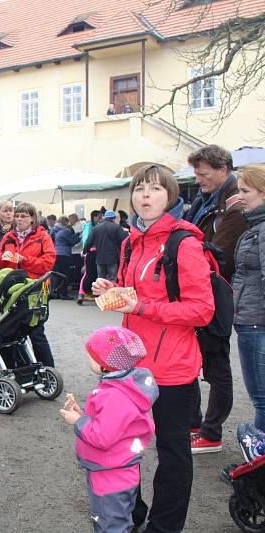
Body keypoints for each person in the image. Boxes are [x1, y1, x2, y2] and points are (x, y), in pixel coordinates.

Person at [92, 164, 214, 533]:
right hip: (133, 366)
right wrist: (111, 289)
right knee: (127, 444)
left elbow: (202, 310)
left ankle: (164, 526)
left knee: (173, 453)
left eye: (155, 189)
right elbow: (139, 294)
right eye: (140, 189)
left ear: (170, 197)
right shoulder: (132, 240)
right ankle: (133, 512)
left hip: (173, 369)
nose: (145, 195)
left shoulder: (184, 243)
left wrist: (141, 307)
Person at [60, 327, 158, 533]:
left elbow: (102, 437)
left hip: (110, 474)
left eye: (92, 355)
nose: (88, 359)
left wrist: (78, 421)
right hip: (118, 469)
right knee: (117, 520)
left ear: (105, 364)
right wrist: (84, 414)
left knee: (110, 525)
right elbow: (111, 424)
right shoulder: (124, 386)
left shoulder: (114, 394)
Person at [185, 145, 248, 453]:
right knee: (197, 361)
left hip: (216, 293)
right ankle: (196, 423)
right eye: (196, 174)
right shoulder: (206, 200)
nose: (198, 180)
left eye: (203, 174)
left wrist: (184, 257)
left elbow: (217, 255)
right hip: (202, 291)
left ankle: (211, 432)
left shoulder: (235, 204)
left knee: (216, 365)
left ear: (223, 170)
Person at [0, 202, 56, 367]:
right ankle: (18, 369)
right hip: (13, 289)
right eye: (18, 216)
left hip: (35, 289)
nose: (20, 219)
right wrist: (3, 258)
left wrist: (24, 260)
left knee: (36, 332)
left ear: (32, 219)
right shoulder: (8, 237)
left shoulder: (43, 237)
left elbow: (48, 264)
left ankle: (48, 370)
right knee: (12, 329)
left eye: (24, 216)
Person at [231, 165, 265, 432]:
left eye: (245, 190)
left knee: (261, 399)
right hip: (251, 318)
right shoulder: (254, 227)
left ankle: (258, 464)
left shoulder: (261, 230)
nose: (239, 196)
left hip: (255, 321)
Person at [85, 210, 127, 283]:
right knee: (112, 279)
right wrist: (125, 232)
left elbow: (89, 241)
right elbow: (124, 240)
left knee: (101, 279)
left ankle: (101, 294)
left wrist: (84, 251)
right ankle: (110, 294)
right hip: (112, 258)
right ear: (113, 218)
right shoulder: (116, 227)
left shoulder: (96, 228)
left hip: (100, 258)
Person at [50, 216, 80, 299]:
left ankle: (55, 293)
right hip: (64, 255)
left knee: (57, 275)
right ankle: (64, 294)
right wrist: (79, 238)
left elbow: (66, 240)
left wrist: (75, 235)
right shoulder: (65, 231)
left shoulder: (56, 231)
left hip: (56, 254)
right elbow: (71, 242)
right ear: (66, 223)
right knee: (65, 275)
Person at [77, 210, 103, 305]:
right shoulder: (89, 226)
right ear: (95, 216)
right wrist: (84, 251)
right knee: (87, 273)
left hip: (96, 252)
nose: (100, 218)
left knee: (94, 273)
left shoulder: (97, 226)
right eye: (99, 216)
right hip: (90, 252)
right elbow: (86, 239)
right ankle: (81, 293)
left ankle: (89, 294)